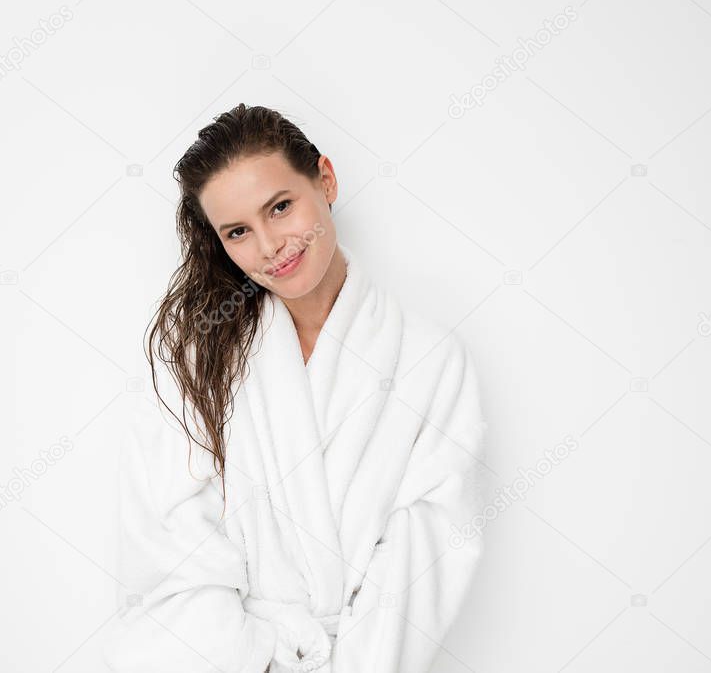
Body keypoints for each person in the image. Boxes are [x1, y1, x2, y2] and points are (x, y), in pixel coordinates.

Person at [102, 103, 488, 673]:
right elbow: (169, 556)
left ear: (325, 180)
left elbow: (428, 557)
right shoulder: (192, 362)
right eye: (238, 231)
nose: (269, 246)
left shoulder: (430, 361)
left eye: (280, 207)